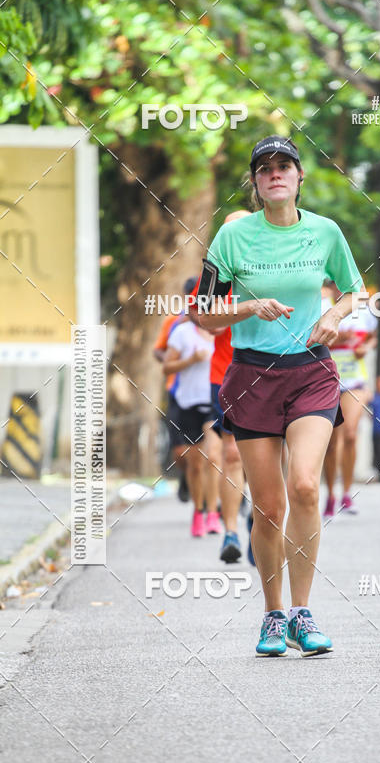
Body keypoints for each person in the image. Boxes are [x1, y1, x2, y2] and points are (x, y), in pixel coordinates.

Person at [193, 135, 366, 657]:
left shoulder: (325, 232)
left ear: (298, 177)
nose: (275, 174)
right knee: (268, 508)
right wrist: (247, 309)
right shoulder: (232, 238)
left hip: (311, 371)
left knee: (306, 487)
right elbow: (202, 314)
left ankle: (302, 611)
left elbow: (352, 289)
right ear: (254, 181)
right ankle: (272, 615)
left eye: (284, 166)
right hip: (251, 377)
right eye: (264, 167)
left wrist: (333, 316)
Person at [208, 210, 252, 564]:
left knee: (273, 455)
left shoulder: (272, 266)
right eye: (228, 232)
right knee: (233, 453)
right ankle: (231, 532)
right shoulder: (215, 272)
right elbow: (209, 322)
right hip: (225, 375)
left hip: (271, 373)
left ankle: (263, 516)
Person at [162, 313, 222, 537]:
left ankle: (214, 513)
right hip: (187, 403)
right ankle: (198, 512)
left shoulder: (224, 331)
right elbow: (166, 368)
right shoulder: (182, 333)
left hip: (212, 402)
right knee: (195, 465)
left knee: (213, 457)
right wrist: (191, 360)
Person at [322, 279, 377, 516]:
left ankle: (347, 493)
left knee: (351, 434)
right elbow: (310, 340)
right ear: (331, 286)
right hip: (327, 381)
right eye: (336, 283)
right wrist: (335, 340)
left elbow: (372, 336)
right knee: (332, 442)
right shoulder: (322, 307)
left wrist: (367, 347)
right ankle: (331, 495)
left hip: (355, 382)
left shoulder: (364, 309)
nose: (341, 288)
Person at [152, 296, 189, 501]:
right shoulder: (173, 321)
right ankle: (186, 474)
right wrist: (171, 359)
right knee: (179, 450)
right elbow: (158, 350)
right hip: (176, 391)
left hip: (207, 393)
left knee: (213, 450)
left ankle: (210, 505)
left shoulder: (215, 321)